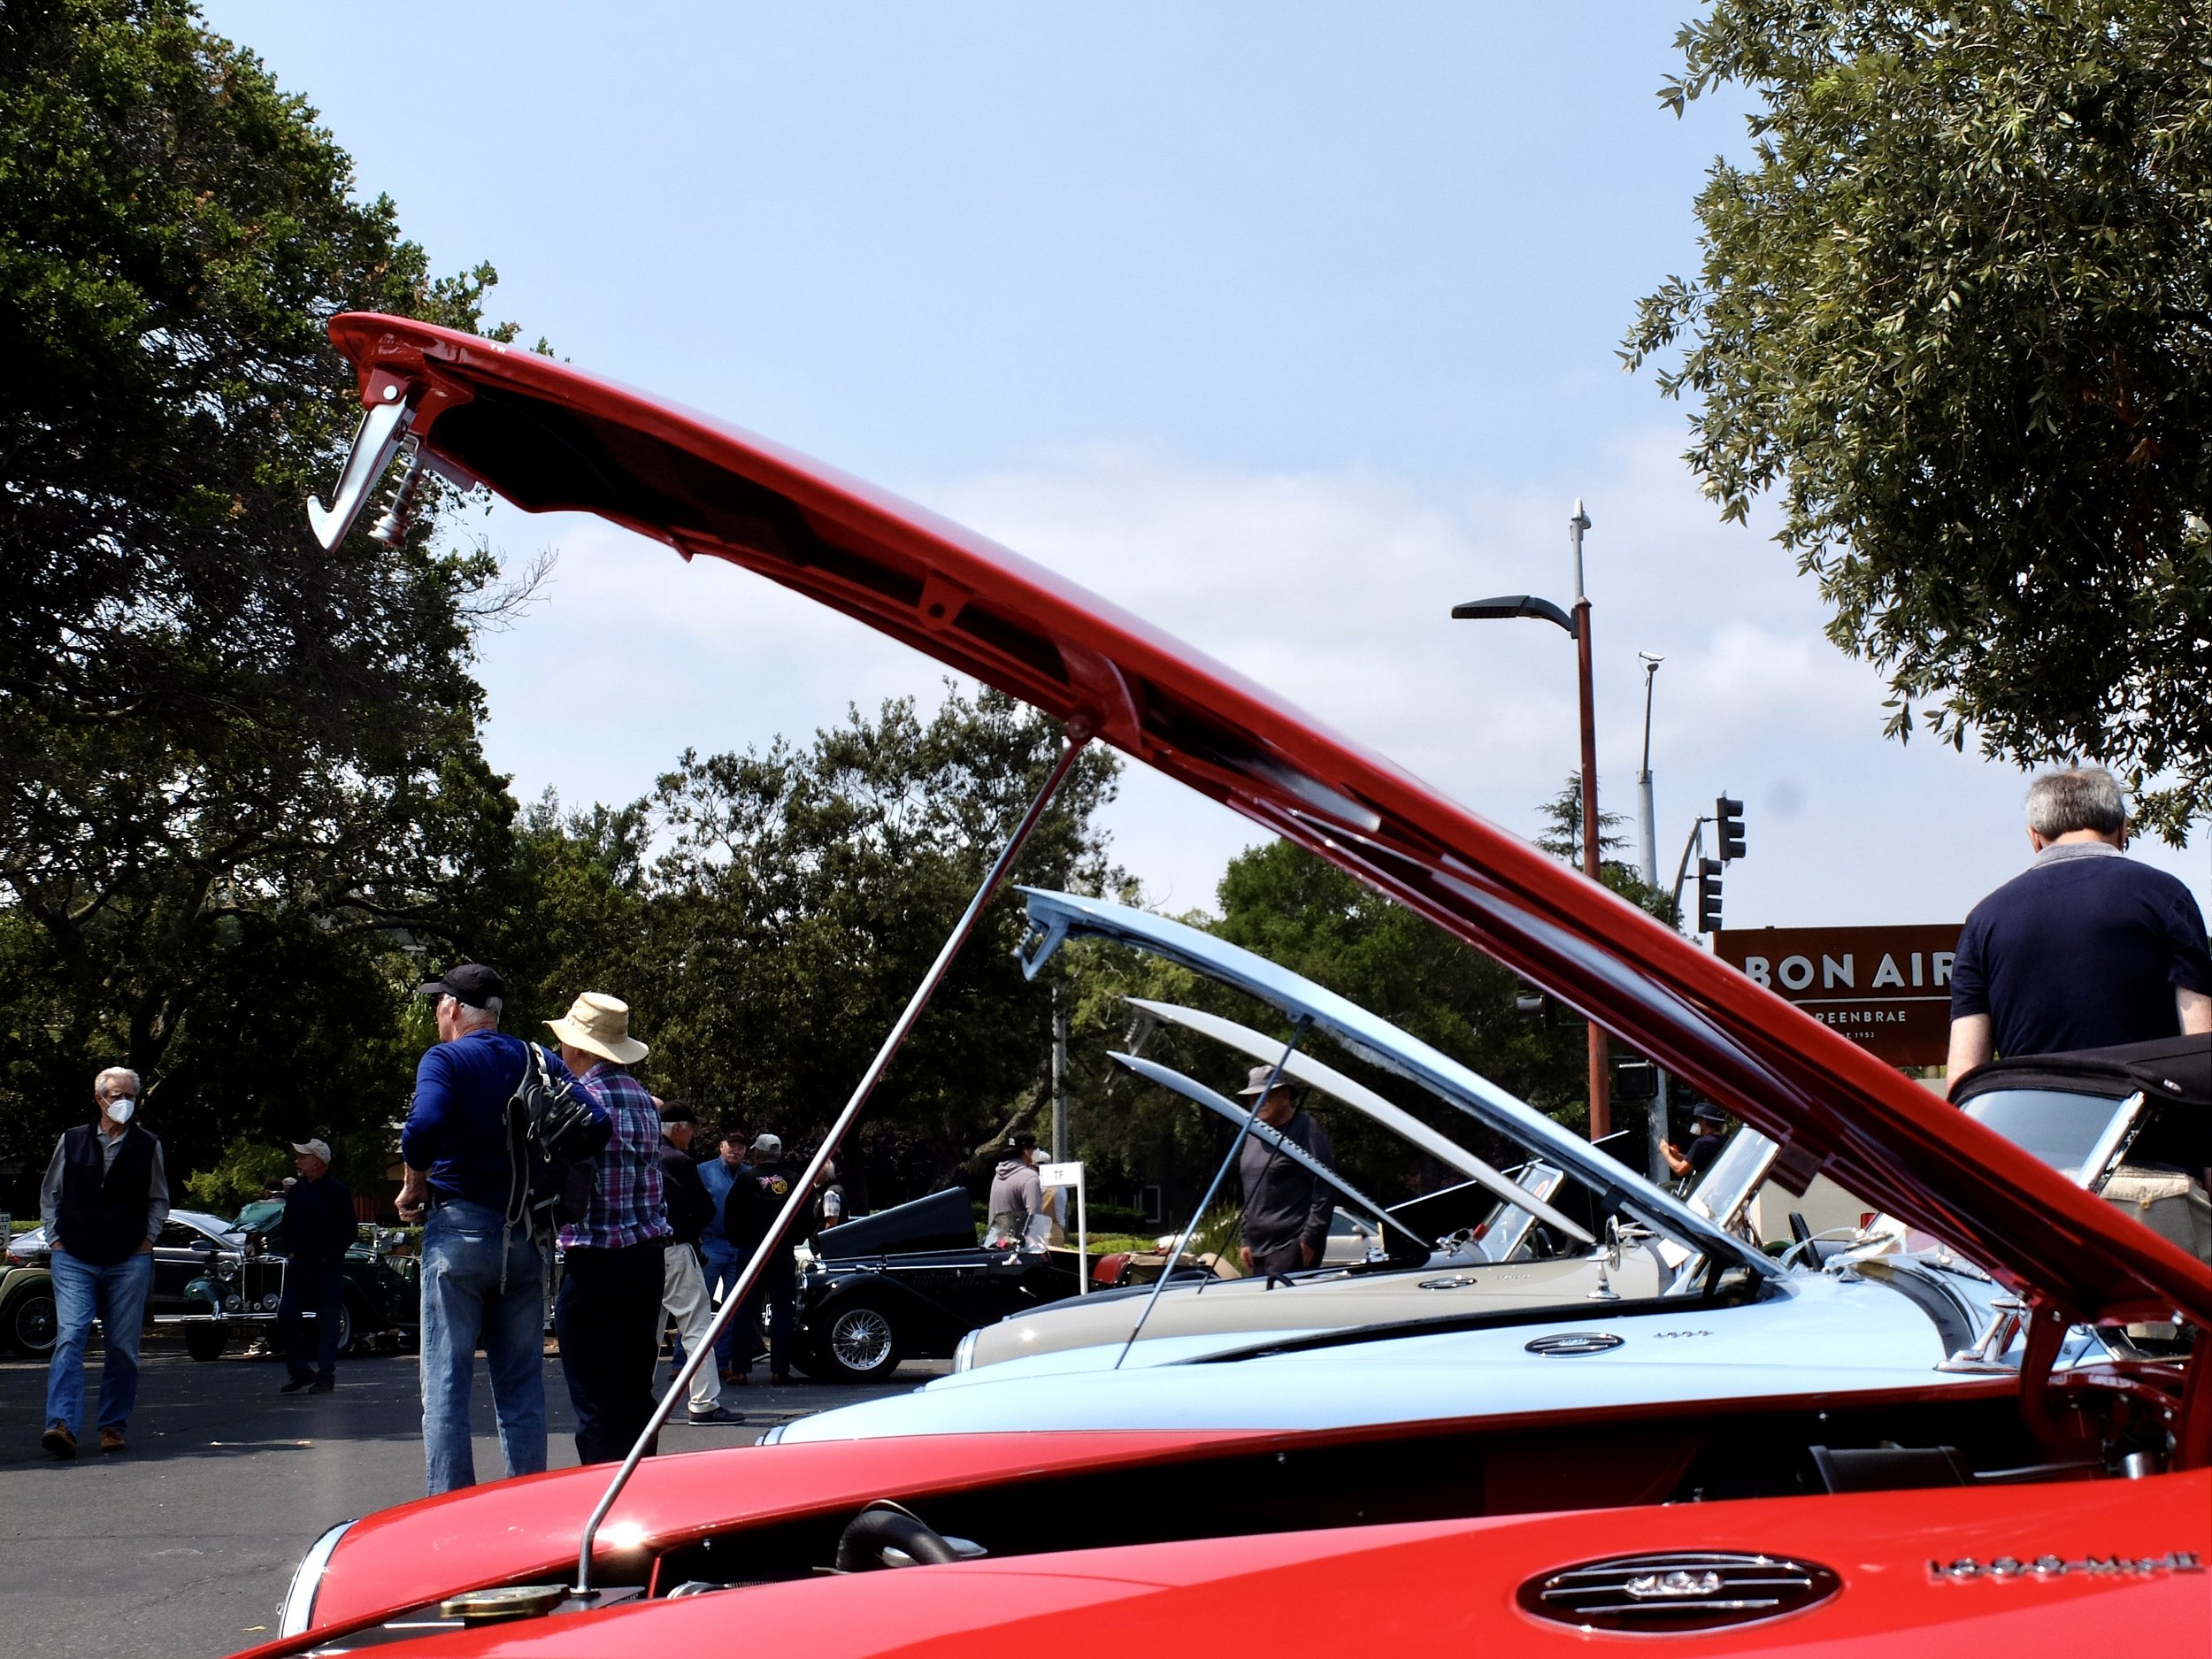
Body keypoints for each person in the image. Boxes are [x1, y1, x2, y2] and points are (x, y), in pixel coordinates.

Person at [398, 964, 597, 1495]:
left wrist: (417, 1171)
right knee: (521, 1387)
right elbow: (595, 1122)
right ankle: (526, 1507)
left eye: (440, 1002)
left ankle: (452, 1508)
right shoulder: (537, 1058)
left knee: (446, 1383)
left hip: (459, 1232)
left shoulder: (444, 1058)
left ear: (456, 1009)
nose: (437, 1011)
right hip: (529, 1236)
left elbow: (423, 1129)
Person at [1947, 768, 2212, 1085]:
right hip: (2144, 1118)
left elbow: (1964, 1076)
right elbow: (2201, 1045)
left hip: (2033, 1119)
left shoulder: (1984, 919)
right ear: (2122, 828)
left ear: (2034, 836)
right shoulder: (2165, 895)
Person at [549, 992, 672, 1463]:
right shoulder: (644, 1101)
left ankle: (603, 1501)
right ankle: (644, 1489)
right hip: (645, 1256)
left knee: (596, 1399)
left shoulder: (582, 1100)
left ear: (580, 1048)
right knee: (633, 1389)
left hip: (595, 1259)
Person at [39, 1067, 168, 1459]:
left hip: (129, 1258)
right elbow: (51, 1193)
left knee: (122, 1346)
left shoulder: (148, 1145)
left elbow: (158, 1197)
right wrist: (55, 1238)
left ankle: (113, 1424)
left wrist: (148, 1240)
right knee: (72, 1336)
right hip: (74, 1256)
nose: (123, 1101)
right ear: (99, 1099)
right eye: (115, 1094)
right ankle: (61, 1424)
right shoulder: (73, 1140)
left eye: (129, 1094)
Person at [656, 1102, 741, 1425]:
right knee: (697, 1327)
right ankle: (703, 1402)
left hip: (642, 1251)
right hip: (676, 1249)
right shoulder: (678, 1161)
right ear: (678, 1128)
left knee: (648, 1331)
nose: (692, 1135)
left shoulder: (641, 1154)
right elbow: (704, 1209)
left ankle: (637, 1401)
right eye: (691, 1128)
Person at [1234, 1065, 1334, 1278]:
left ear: (1285, 1096)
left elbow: (1325, 1187)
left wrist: (1310, 1239)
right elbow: (1251, 1192)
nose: (1256, 1103)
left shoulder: (1305, 1128)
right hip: (1257, 1250)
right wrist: (1245, 1239)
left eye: (1265, 1096)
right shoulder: (1254, 1133)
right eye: (1252, 1098)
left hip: (1290, 1245)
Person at [277, 1138, 355, 1394]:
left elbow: (349, 1230)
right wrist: (290, 1251)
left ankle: (325, 1373)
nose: (298, 1161)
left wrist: (330, 1257)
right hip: (299, 1264)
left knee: (327, 1319)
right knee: (286, 1313)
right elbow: (287, 1223)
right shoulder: (298, 1190)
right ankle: (300, 1371)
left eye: (303, 1157)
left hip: (326, 1267)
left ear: (318, 1162)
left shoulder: (337, 1192)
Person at [724, 1132, 799, 1385]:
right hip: (782, 1251)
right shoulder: (793, 1179)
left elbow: (731, 1213)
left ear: (757, 1153)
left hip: (752, 1250)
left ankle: (741, 1369)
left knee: (744, 1309)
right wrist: (793, 1240)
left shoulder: (746, 1178)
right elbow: (805, 1216)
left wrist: (740, 1241)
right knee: (782, 1310)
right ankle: (780, 1368)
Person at [695, 1128, 746, 1384]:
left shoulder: (749, 1175)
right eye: (731, 1145)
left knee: (731, 1309)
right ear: (721, 1146)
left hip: (739, 1245)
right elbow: (691, 1203)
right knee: (698, 1306)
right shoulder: (704, 1171)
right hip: (711, 1243)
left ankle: (721, 1364)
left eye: (740, 1147)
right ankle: (684, 1363)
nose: (736, 1150)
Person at [984, 1132, 1049, 1249]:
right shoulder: (1030, 1178)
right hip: (1019, 1251)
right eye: (1033, 1148)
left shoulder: (997, 1176)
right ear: (1026, 1151)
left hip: (996, 1246)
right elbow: (1035, 1217)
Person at [1662, 1103, 1729, 1184]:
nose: (1696, 1124)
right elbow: (1694, 1161)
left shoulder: (1702, 1143)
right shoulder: (1725, 1140)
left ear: (1704, 1121)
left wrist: (1665, 1152)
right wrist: (1677, 1155)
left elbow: (1680, 1170)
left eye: (1697, 1120)